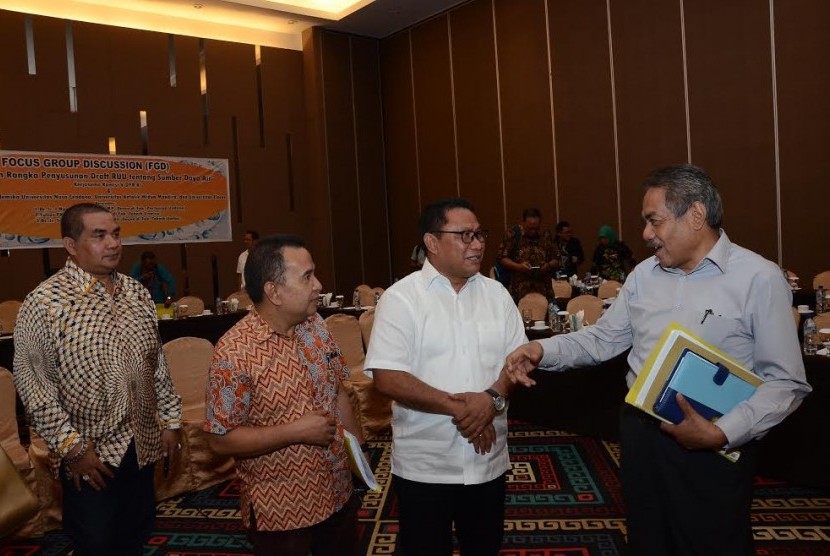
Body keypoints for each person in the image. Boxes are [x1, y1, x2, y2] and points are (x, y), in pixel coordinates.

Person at [505, 164, 812, 556]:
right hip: (641, 434)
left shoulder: (758, 278)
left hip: (714, 442)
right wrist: (541, 349)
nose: (646, 234)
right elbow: (601, 340)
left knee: (712, 541)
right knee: (648, 540)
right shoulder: (643, 277)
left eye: (655, 221)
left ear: (696, 215)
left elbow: (786, 382)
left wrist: (722, 433)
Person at [13, 203, 182, 555]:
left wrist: (170, 420)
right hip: (90, 456)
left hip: (142, 444)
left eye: (116, 234)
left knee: (136, 533)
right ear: (71, 246)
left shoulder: (137, 293)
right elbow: (33, 386)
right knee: (96, 542)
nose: (113, 244)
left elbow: (157, 364)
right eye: (99, 235)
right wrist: (73, 449)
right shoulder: (44, 303)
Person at [364, 198, 527, 555]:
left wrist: (491, 399)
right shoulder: (402, 298)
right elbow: (388, 377)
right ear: (432, 242)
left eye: (480, 234)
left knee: (483, 547)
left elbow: (520, 361)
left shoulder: (497, 294)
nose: (478, 243)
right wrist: (465, 408)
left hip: (488, 461)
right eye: (465, 235)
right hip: (427, 464)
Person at [204, 234, 364, 556]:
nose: (318, 284)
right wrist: (295, 432)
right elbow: (219, 440)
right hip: (283, 514)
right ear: (273, 291)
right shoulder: (234, 353)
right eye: (307, 277)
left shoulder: (316, 325)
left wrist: (358, 457)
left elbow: (338, 391)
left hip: (339, 493)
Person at [497, 208, 559, 301]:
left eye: (536, 228)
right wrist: (518, 267)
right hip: (518, 290)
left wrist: (548, 266)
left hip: (544, 289)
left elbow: (557, 259)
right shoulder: (513, 235)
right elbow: (502, 258)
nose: (533, 231)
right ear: (523, 223)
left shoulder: (546, 236)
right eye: (530, 228)